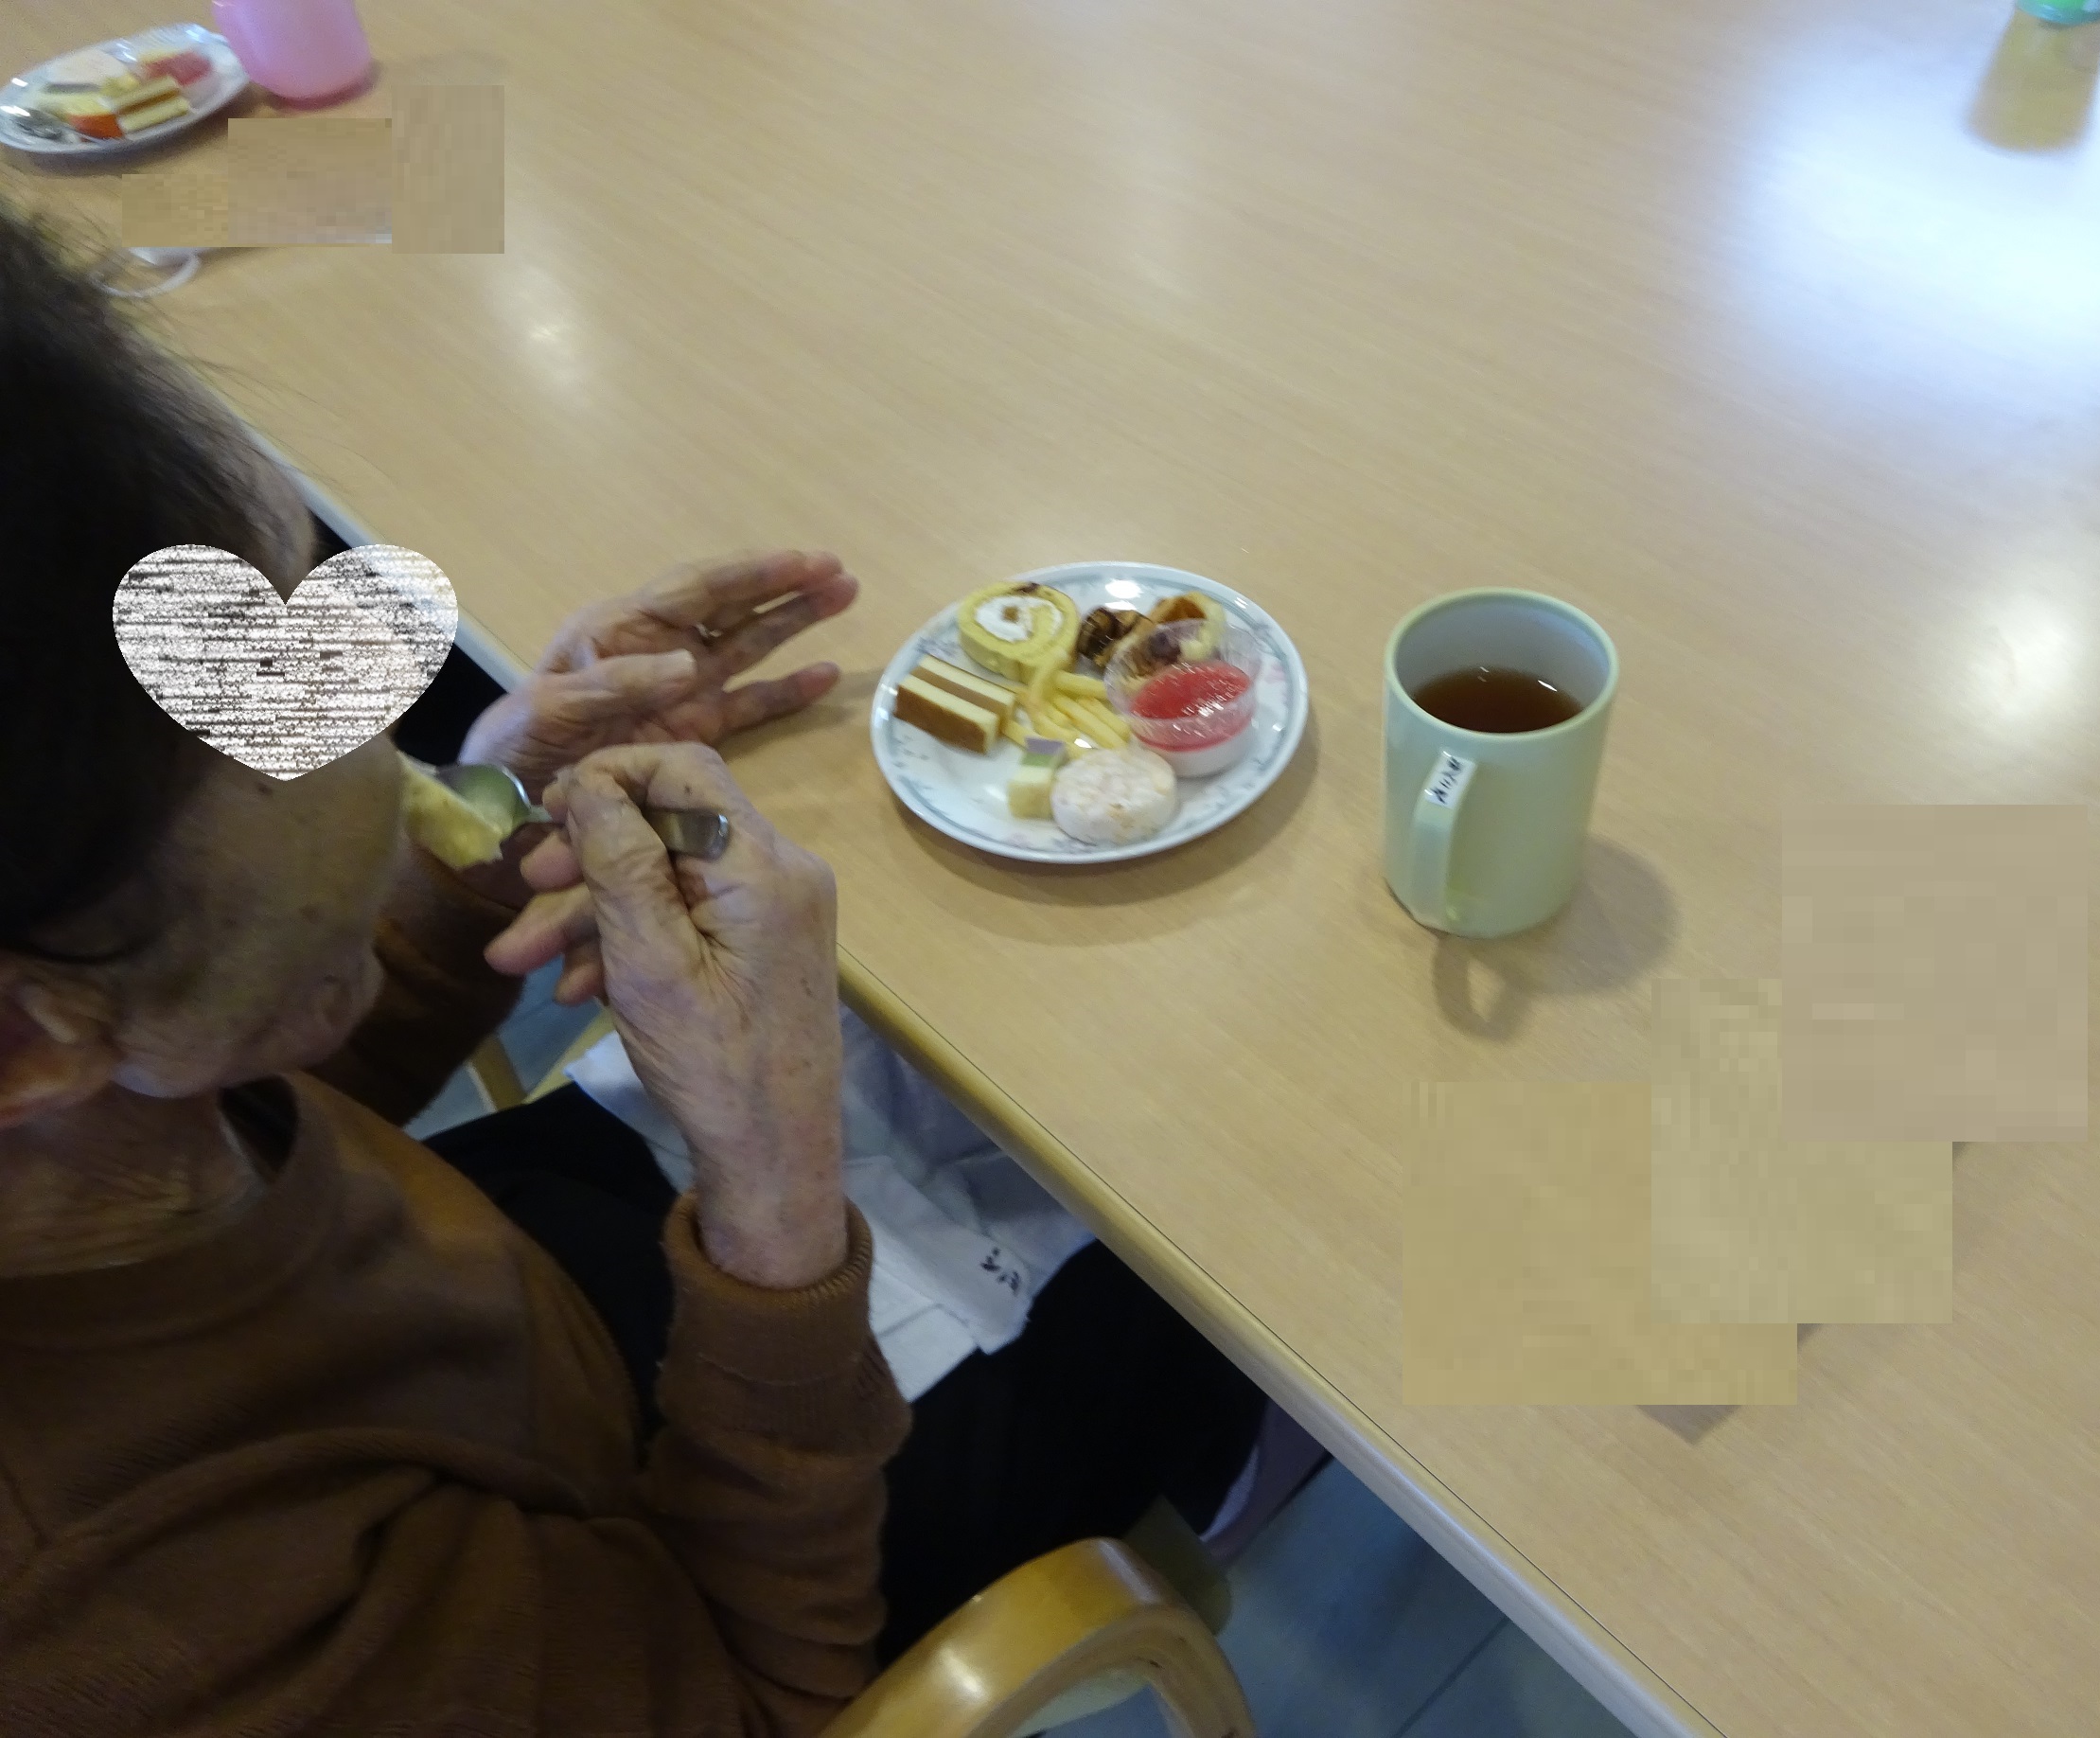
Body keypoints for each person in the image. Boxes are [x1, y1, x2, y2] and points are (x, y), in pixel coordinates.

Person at [0, 203, 1275, 1734]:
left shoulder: (80, 1108)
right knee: (1214, 1189)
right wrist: (773, 1189)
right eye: (286, 689)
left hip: (520, 1312)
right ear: (29, 1041)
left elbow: (216, 1060)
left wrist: (486, 808)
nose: (378, 694)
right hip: (721, 1577)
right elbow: (755, 1698)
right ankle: (1242, 1450)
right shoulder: (141, 1629)